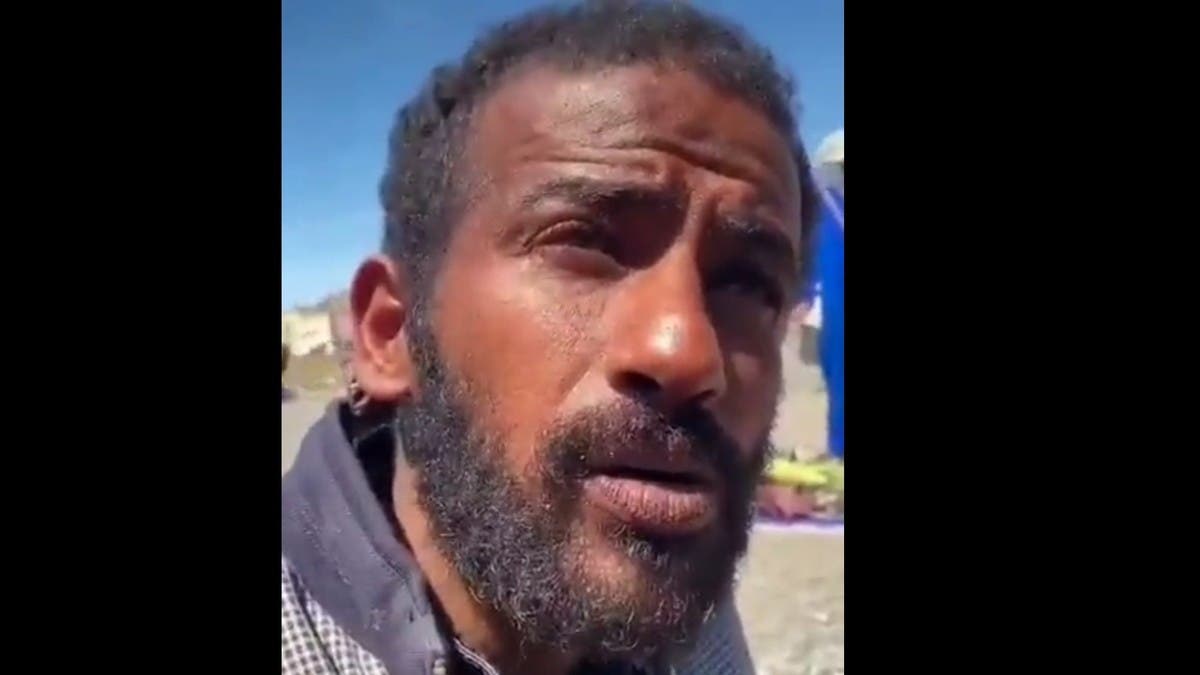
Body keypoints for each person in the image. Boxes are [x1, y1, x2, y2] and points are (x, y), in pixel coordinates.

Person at [281, 2, 820, 673]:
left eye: (747, 284)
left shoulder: (679, 598)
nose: (686, 352)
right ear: (392, 333)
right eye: (583, 243)